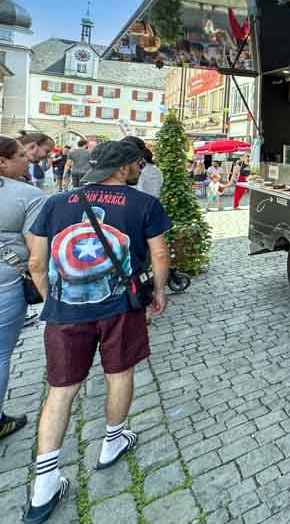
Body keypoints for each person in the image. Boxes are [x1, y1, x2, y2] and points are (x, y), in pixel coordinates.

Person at [23, 141, 171, 523]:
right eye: (136, 163)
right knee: (119, 373)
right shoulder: (143, 204)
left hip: (64, 311)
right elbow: (159, 255)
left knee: (61, 390)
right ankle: (112, 441)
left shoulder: (55, 203)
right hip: (120, 307)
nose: (140, 167)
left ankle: (44, 485)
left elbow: (37, 261)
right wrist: (158, 290)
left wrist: (52, 301)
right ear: (122, 168)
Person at [0, 137, 46, 441]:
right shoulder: (28, 195)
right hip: (6, 283)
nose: (26, 160)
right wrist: (49, 297)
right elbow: (37, 258)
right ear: (3, 162)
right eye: (20, 155)